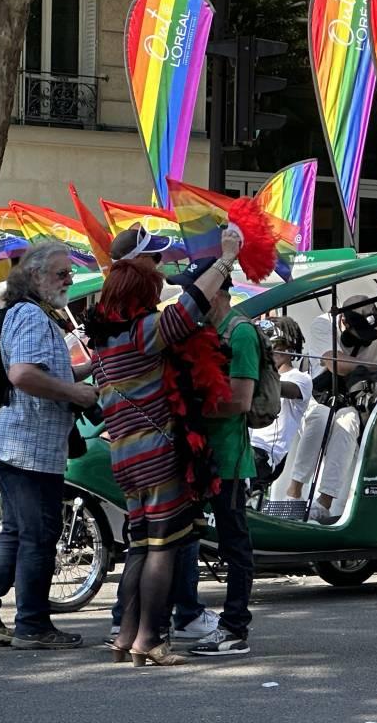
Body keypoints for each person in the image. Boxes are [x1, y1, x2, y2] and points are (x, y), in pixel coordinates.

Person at [90, 228, 241, 667]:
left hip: (125, 456)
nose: (159, 277)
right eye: (153, 272)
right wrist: (226, 258)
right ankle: (152, 640)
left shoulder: (104, 340)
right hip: (157, 454)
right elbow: (190, 307)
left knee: (141, 545)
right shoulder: (141, 333)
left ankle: (129, 638)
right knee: (164, 547)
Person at [0, 242, 98, 650]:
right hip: (25, 445)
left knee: (17, 530)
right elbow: (22, 375)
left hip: (12, 440)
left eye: (69, 273)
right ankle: (33, 624)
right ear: (35, 277)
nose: (69, 280)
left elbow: (39, 368)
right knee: (38, 533)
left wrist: (86, 369)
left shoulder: (30, 315)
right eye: (61, 273)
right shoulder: (32, 316)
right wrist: (77, 393)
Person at [162, 257, 261, 657]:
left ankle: (235, 628)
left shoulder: (240, 333)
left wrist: (185, 408)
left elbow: (240, 401)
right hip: (197, 456)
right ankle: (186, 614)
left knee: (235, 544)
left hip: (230, 459)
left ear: (217, 291)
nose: (190, 295)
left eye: (196, 287)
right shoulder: (203, 330)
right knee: (182, 536)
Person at [289, 296, 377, 522]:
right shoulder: (323, 324)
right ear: (344, 322)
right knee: (321, 417)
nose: (370, 339)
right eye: (362, 335)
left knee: (348, 421)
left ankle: (324, 503)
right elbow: (337, 364)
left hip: (352, 401)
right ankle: (294, 493)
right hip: (321, 395)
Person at [249, 316, 311, 479]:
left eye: (272, 345)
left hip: (265, 457)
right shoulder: (255, 375)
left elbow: (282, 389)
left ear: (289, 349)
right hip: (243, 447)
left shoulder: (300, 379)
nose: (266, 351)